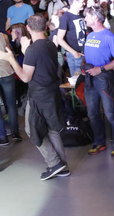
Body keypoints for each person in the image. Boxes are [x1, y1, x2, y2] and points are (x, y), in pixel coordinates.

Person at [0, 14, 68, 180]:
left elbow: (25, 77)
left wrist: (11, 59)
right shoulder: (50, 44)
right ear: (45, 27)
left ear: (28, 28)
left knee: (32, 130)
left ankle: (54, 163)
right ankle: (62, 166)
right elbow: (38, 63)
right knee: (52, 129)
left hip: (39, 94)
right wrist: (26, 50)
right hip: (52, 92)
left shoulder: (33, 49)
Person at [83, 6, 114, 156]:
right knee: (92, 113)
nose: (85, 18)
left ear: (95, 18)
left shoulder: (109, 36)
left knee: (110, 113)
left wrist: (101, 69)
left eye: (87, 16)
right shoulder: (90, 35)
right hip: (90, 78)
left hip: (104, 79)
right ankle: (99, 142)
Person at [57, 0, 87, 77]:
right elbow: (59, 39)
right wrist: (74, 53)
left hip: (84, 53)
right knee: (77, 80)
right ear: (75, 2)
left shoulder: (81, 15)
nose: (84, 3)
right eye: (82, 2)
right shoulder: (66, 17)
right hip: (74, 55)